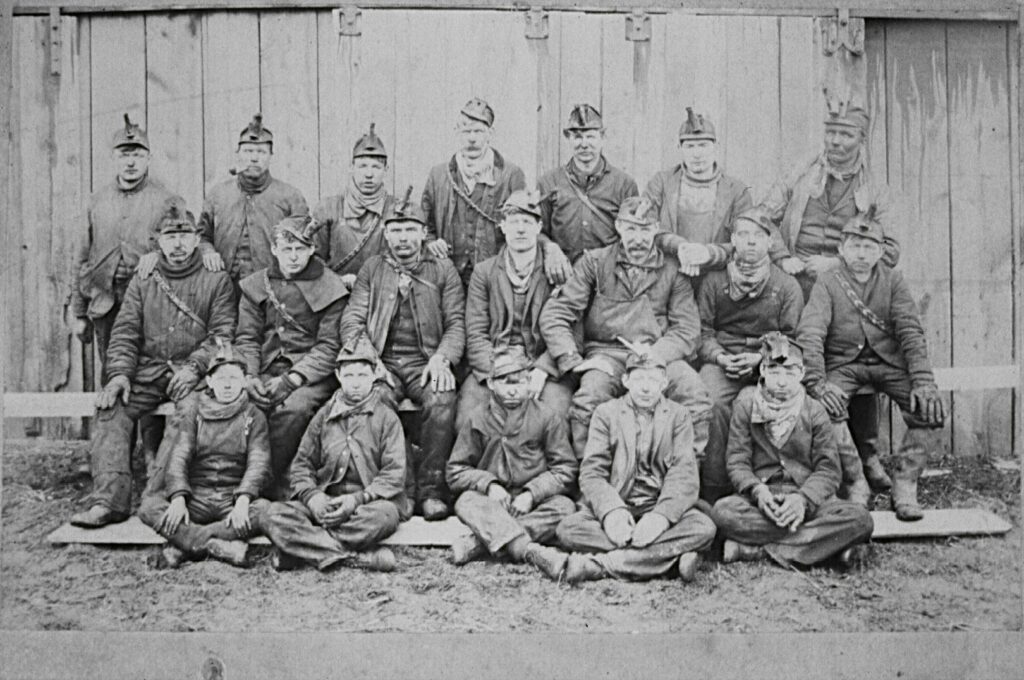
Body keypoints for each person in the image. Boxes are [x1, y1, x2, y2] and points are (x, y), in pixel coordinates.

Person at [760, 90, 897, 498]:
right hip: (798, 282)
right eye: (831, 132)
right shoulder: (800, 173)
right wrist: (783, 257)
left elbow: (890, 249)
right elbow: (762, 217)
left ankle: (865, 454)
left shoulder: (875, 188)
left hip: (847, 286)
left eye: (846, 135)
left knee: (855, 352)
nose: (836, 142)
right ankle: (804, 456)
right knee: (796, 359)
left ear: (862, 139)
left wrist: (839, 266)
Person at [70, 199, 237, 528]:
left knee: (189, 414)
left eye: (185, 236)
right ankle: (109, 500)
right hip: (148, 372)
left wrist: (195, 368)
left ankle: (155, 498)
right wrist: (118, 376)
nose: (177, 244)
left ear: (196, 239)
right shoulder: (144, 279)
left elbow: (222, 334)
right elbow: (125, 333)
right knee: (111, 407)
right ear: (157, 241)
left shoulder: (216, 279)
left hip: (193, 376)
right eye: (170, 236)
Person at [797, 207, 946, 520]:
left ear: (881, 251)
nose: (861, 254)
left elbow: (909, 328)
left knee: (929, 410)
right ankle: (856, 482)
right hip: (844, 365)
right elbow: (810, 332)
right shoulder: (828, 282)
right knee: (825, 408)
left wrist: (922, 379)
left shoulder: (893, 280)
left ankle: (904, 484)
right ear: (841, 250)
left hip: (888, 363)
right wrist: (817, 382)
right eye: (854, 246)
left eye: (869, 247)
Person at [539, 197, 712, 461]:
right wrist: (572, 359)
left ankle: (686, 476)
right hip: (608, 356)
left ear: (656, 229)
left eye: (645, 230)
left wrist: (657, 354)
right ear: (619, 226)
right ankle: (589, 480)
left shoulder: (672, 270)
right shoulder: (594, 263)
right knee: (590, 396)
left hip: (658, 357)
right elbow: (556, 314)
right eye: (631, 229)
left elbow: (687, 329)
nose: (638, 238)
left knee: (693, 391)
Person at [339, 190, 465, 520]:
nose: (403, 237)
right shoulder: (373, 268)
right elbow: (352, 318)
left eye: (410, 229)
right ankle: (401, 489)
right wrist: (368, 359)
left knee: (441, 401)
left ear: (424, 233)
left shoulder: (442, 269)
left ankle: (432, 489)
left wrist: (443, 358)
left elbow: (456, 322)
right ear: (385, 232)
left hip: (426, 361)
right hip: (384, 362)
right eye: (395, 230)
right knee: (376, 401)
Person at [711, 332, 874, 568]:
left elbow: (828, 469)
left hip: (806, 498)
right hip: (763, 500)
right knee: (723, 513)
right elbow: (737, 461)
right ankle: (823, 547)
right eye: (775, 371)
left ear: (801, 374)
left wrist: (802, 499)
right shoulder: (746, 403)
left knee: (860, 520)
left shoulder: (814, 410)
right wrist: (758, 491)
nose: (781, 381)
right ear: (763, 371)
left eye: (790, 372)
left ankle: (758, 551)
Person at [555, 347, 717, 583]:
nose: (645, 387)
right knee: (568, 529)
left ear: (664, 383)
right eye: (639, 378)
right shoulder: (606, 413)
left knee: (703, 527)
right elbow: (592, 472)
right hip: (622, 502)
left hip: (657, 502)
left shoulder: (679, 415)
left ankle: (602, 564)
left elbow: (684, 473)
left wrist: (660, 517)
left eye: (652, 379)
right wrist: (612, 512)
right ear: (626, 380)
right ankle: (667, 561)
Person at [260, 338, 407, 572]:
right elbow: (302, 465)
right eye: (349, 376)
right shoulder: (323, 416)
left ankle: (304, 550)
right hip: (325, 503)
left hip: (365, 506)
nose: (356, 384)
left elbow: (393, 474)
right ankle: (352, 557)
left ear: (374, 377)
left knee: (385, 516)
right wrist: (313, 498)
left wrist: (355, 501)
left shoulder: (387, 418)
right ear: (338, 376)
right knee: (272, 514)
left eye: (362, 375)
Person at [234, 215, 349, 498]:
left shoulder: (330, 286)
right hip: (265, 367)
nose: (294, 257)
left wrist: (293, 378)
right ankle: (233, 479)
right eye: (286, 249)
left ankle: (265, 483)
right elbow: (247, 337)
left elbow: (328, 347)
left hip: (310, 373)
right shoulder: (256, 285)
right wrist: (249, 375)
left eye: (301, 249)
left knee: (293, 410)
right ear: (274, 249)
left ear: (312, 249)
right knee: (243, 404)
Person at [696, 207, 804, 502]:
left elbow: (793, 339)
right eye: (743, 235)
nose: (751, 242)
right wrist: (719, 357)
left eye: (759, 235)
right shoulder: (714, 282)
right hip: (723, 361)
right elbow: (702, 332)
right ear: (732, 240)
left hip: (768, 363)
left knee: (762, 403)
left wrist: (761, 359)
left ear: (770, 243)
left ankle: (764, 484)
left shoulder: (786, 286)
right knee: (712, 402)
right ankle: (714, 489)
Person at [446, 346, 578, 578]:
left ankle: (477, 543)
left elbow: (565, 469)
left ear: (529, 383)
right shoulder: (477, 418)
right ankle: (530, 551)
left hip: (531, 504)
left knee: (564, 507)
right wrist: (489, 485)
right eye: (506, 383)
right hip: (492, 502)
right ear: (491, 384)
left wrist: (532, 493)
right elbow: (456, 471)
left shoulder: (547, 417)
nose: (513, 390)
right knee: (466, 501)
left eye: (519, 382)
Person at [138, 340, 271, 569]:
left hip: (233, 498)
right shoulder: (194, 413)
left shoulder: (254, 415)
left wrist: (243, 499)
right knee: (149, 507)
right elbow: (179, 457)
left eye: (233, 378)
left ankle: (188, 544)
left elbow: (258, 462)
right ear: (209, 381)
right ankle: (218, 545)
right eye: (221, 379)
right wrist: (179, 497)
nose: (227, 385)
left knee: (265, 511)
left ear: (244, 381)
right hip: (197, 498)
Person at [421, 97, 570, 287]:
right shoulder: (439, 175)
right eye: (466, 131)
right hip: (448, 276)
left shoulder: (511, 175)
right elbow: (425, 227)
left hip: (495, 277)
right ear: (456, 132)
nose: (472, 138)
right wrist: (431, 243)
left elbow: (525, 224)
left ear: (490, 133)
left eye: (479, 131)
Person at [70, 114, 180, 371]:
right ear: (113, 158)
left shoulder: (167, 200)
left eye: (138, 155)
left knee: (148, 380)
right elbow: (81, 258)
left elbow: (183, 251)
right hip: (105, 306)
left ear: (148, 159)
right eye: (123, 155)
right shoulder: (95, 201)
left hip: (150, 308)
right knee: (112, 378)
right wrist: (78, 312)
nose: (130, 162)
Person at [459, 190, 574, 429]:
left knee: (556, 415)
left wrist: (543, 370)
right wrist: (498, 370)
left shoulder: (556, 270)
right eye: (513, 222)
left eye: (527, 222)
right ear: (502, 226)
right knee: (468, 419)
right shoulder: (484, 272)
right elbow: (476, 332)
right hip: (496, 362)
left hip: (540, 363)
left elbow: (571, 329)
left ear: (539, 227)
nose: (520, 229)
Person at [198, 113, 308, 285]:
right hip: (224, 287)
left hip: (272, 286)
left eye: (261, 152)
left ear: (271, 156)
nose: (254, 158)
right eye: (248, 151)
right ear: (238, 154)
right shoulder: (217, 195)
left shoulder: (290, 197)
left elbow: (305, 243)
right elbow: (202, 236)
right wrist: (207, 251)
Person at [643, 108, 753, 276]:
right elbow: (644, 226)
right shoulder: (662, 183)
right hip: (668, 274)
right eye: (690, 146)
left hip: (719, 278)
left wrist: (709, 254)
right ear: (679, 147)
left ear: (716, 146)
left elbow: (746, 240)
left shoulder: (736, 190)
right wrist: (679, 246)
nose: (697, 154)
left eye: (703, 145)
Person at [537, 104, 639, 264]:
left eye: (590, 136)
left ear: (603, 138)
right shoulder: (549, 182)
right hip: (565, 276)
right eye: (577, 137)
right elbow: (537, 229)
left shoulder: (624, 184)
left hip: (608, 276)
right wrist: (550, 248)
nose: (584, 144)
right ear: (568, 139)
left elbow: (635, 234)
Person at [312, 123, 396, 285]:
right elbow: (313, 259)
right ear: (351, 167)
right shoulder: (328, 208)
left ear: (387, 169)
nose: (369, 174)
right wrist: (338, 281)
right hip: (335, 293)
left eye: (376, 167)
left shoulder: (398, 210)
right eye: (362, 166)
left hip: (382, 292)